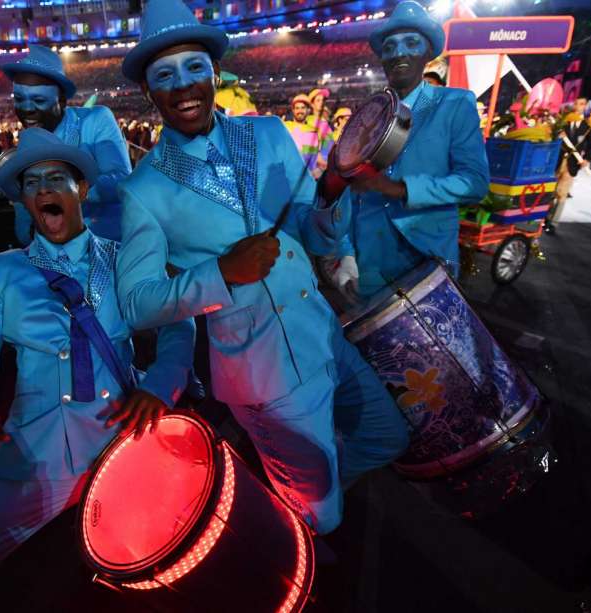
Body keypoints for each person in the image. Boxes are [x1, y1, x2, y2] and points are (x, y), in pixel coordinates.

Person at [115, 0, 408, 536]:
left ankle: (288, 506)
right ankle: (295, 535)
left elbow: (313, 229)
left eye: (194, 68)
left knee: (389, 437)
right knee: (321, 518)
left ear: (215, 74)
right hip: (262, 373)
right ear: (148, 92)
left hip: (323, 335)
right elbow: (138, 303)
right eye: (164, 76)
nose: (183, 86)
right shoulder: (142, 190)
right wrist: (222, 273)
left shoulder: (269, 134)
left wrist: (333, 192)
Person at [0, 128, 195, 612]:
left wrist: (159, 387)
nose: (44, 189)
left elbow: (177, 322)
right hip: (33, 454)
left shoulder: (123, 257)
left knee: (167, 573)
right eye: (32, 184)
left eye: (57, 179)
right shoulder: (3, 269)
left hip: (123, 443)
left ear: (82, 191)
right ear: (24, 201)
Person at [325, 1, 489, 299]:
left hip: (426, 257)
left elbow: (475, 183)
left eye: (411, 43)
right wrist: (346, 253)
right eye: (389, 47)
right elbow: (351, 188)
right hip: (370, 259)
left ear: (427, 53)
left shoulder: (454, 104)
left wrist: (400, 189)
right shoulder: (370, 113)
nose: (399, 53)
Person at [0, 44, 131, 243]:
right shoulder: (28, 143)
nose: (27, 109)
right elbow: (25, 229)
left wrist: (64, 194)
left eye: (38, 100)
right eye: (19, 99)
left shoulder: (95, 120)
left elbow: (121, 179)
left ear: (61, 100)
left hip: (106, 243)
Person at [546, 97, 591, 234]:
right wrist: (557, 134)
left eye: (580, 104)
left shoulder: (588, 126)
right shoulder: (564, 121)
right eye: (575, 103)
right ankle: (544, 218)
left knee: (562, 194)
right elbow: (553, 138)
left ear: (585, 106)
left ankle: (553, 223)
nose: (577, 106)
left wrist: (587, 160)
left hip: (572, 165)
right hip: (557, 162)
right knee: (550, 192)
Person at [284, 89, 334, 178]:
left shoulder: (319, 125)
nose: (321, 103)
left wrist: (322, 166)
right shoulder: (288, 126)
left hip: (313, 174)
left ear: (307, 109)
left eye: (323, 100)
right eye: (318, 100)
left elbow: (327, 146)